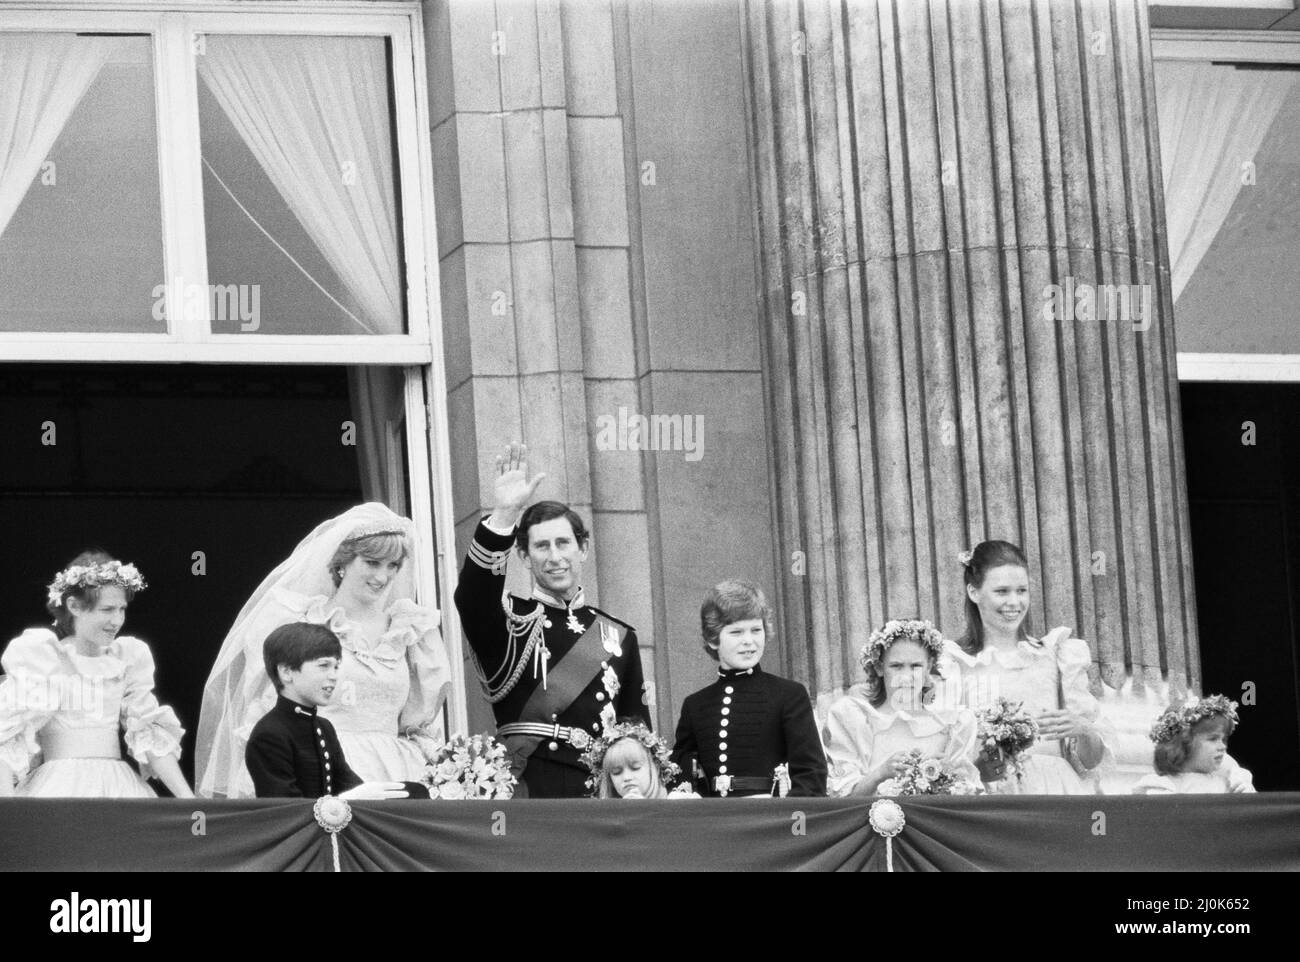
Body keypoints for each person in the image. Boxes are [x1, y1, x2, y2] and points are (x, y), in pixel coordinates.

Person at [196, 503, 451, 797]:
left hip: (397, 768)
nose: (382, 577)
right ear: (342, 563)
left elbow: (416, 724)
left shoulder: (411, 631)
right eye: (371, 562)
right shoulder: (301, 624)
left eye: (392, 565)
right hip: (318, 765)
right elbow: (270, 712)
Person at [454, 443, 652, 798]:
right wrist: (503, 516)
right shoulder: (510, 621)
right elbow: (471, 597)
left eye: (564, 543)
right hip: (530, 785)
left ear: (584, 549)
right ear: (524, 556)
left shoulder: (619, 636)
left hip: (600, 789)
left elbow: (635, 730)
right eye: (542, 546)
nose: (555, 556)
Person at [0, 552, 193, 798]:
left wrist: (188, 799)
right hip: (57, 788)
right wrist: (5, 809)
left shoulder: (127, 658)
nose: (117, 620)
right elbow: (6, 735)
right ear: (74, 606)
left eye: (122, 609)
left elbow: (149, 735)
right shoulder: (42, 658)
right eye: (107, 609)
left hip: (119, 787)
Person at [941, 540, 1113, 794]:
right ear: (974, 592)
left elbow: (1090, 762)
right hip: (989, 797)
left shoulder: (1057, 656)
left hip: (1053, 792)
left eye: (1021, 591)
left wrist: (1084, 730)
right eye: (1002, 591)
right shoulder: (955, 664)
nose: (1014, 602)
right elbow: (949, 756)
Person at [671, 580, 827, 798]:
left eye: (756, 630)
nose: (749, 641)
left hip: (769, 821)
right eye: (736, 632)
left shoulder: (789, 695)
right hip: (713, 822)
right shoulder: (695, 705)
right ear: (713, 639)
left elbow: (812, 777)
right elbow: (680, 774)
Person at [245, 622, 409, 800]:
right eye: (323, 666)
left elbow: (348, 784)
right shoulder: (269, 734)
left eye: (336, 667)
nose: (333, 676)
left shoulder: (323, 727)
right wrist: (348, 799)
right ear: (286, 672)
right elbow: (286, 812)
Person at [823, 618, 979, 797]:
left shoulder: (951, 726)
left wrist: (947, 777)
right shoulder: (856, 719)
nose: (906, 676)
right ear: (880, 668)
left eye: (915, 666)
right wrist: (881, 773)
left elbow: (966, 796)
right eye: (896, 666)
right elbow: (842, 799)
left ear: (928, 668)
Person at [1133, 695, 1255, 795]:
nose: (1223, 746)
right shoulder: (1165, 786)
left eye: (1223, 739)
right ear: (1184, 743)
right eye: (1213, 739)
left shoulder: (1229, 780)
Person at [580, 718, 695, 799]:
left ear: (655, 767)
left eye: (635, 768)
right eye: (616, 772)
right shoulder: (604, 817)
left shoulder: (681, 802)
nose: (627, 777)